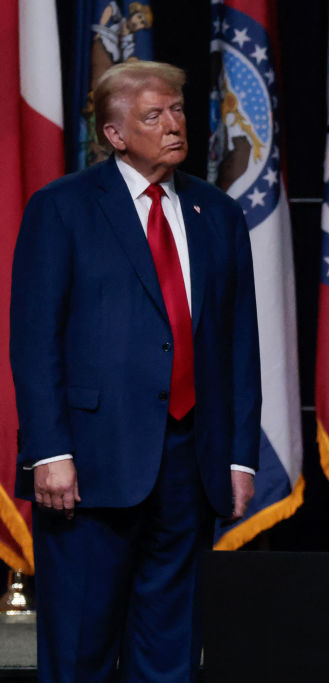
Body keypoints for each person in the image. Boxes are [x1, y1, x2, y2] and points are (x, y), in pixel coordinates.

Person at [10, 61, 261, 681]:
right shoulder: (62, 207)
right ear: (115, 134)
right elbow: (34, 338)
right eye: (154, 116)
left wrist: (238, 456)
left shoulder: (218, 213)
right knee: (79, 650)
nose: (174, 125)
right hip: (89, 461)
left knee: (171, 651)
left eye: (177, 110)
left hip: (190, 461)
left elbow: (238, 343)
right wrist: (49, 449)